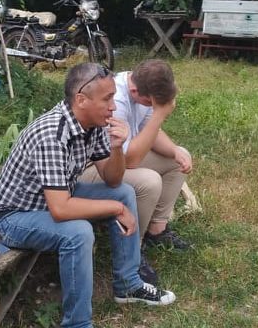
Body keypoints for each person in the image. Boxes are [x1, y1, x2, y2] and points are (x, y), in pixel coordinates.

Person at [0, 62, 176, 328]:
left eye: (113, 97)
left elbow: (113, 179)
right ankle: (77, 323)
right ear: (81, 100)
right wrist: (116, 209)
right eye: (107, 99)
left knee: (123, 192)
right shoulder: (53, 134)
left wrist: (117, 148)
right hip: (14, 216)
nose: (113, 106)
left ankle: (128, 284)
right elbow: (61, 210)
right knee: (78, 232)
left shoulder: (94, 124)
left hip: (52, 197)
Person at [78, 60, 193, 285]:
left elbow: (151, 132)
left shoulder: (141, 88)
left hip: (115, 159)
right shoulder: (117, 102)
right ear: (134, 91)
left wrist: (175, 151)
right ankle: (133, 251)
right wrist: (159, 115)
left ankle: (157, 230)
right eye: (150, 104)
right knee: (148, 181)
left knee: (177, 157)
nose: (152, 108)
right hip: (91, 168)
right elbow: (130, 161)